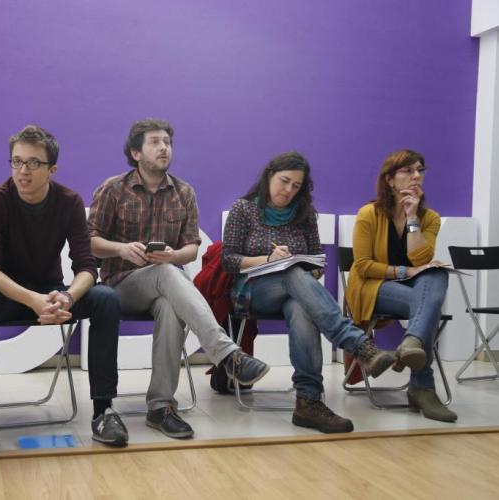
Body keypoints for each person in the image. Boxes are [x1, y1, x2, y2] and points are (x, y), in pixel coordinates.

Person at [88, 118, 269, 439]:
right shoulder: (113, 189)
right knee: (166, 274)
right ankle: (228, 354)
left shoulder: (184, 192)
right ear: (135, 153)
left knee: (170, 304)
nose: (164, 148)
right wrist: (122, 249)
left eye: (167, 142)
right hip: (120, 285)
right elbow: (90, 241)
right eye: (155, 142)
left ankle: (160, 407)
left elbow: (191, 249)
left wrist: (173, 255)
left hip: (165, 284)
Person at [0, 125, 127, 455]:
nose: (23, 171)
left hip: (53, 294)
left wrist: (67, 296)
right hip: (9, 296)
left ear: (52, 169)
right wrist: (32, 300)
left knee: (106, 298)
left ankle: (103, 411)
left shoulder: (68, 201)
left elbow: (86, 266)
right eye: (17, 161)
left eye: (33, 163)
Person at [221, 151, 396, 434]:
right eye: (284, 181)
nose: (288, 190)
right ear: (269, 176)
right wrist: (269, 260)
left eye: (296, 186)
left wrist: (303, 269)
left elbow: (318, 262)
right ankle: (357, 344)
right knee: (291, 273)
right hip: (253, 291)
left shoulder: (305, 215)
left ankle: (308, 401)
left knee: (300, 305)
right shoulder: (243, 209)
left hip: (295, 292)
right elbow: (228, 261)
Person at [347, 149, 456, 422]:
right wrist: (406, 271)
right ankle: (423, 388)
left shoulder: (429, 218)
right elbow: (363, 266)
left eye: (420, 170)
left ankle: (411, 342)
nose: (416, 176)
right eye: (408, 170)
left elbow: (422, 259)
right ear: (390, 180)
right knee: (428, 306)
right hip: (372, 288)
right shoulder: (368, 214)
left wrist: (412, 218)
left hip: (415, 289)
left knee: (437, 274)